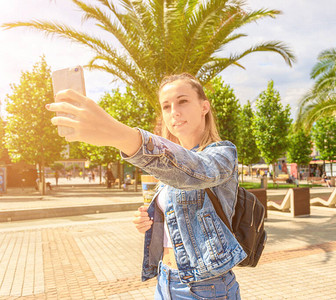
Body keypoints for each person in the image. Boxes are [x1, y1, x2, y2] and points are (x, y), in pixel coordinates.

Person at [46, 73, 243, 299]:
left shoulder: (222, 153)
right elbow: (182, 218)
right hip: (165, 280)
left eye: (183, 101)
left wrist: (117, 133)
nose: (174, 112)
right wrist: (150, 222)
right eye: (166, 106)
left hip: (206, 287)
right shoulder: (170, 164)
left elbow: (194, 172)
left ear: (204, 107)